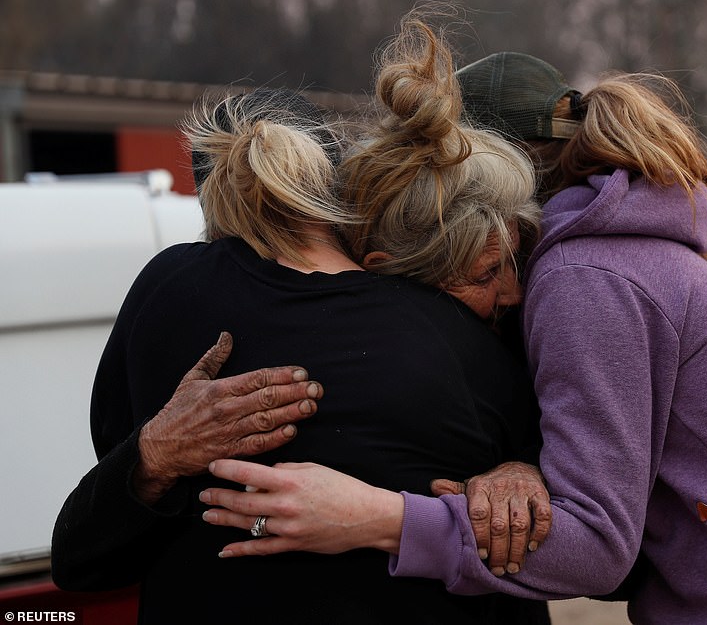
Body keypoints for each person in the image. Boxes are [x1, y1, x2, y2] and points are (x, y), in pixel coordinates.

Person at [199, 52, 707, 625]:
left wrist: (376, 518)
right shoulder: (604, 254)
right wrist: (523, 463)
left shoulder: (587, 279)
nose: (504, 292)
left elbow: (596, 547)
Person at [50, 78, 552, 624]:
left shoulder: (170, 293)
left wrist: (155, 453)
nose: (510, 293)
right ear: (335, 179)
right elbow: (567, 524)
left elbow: (82, 558)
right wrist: (524, 466)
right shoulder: (453, 332)